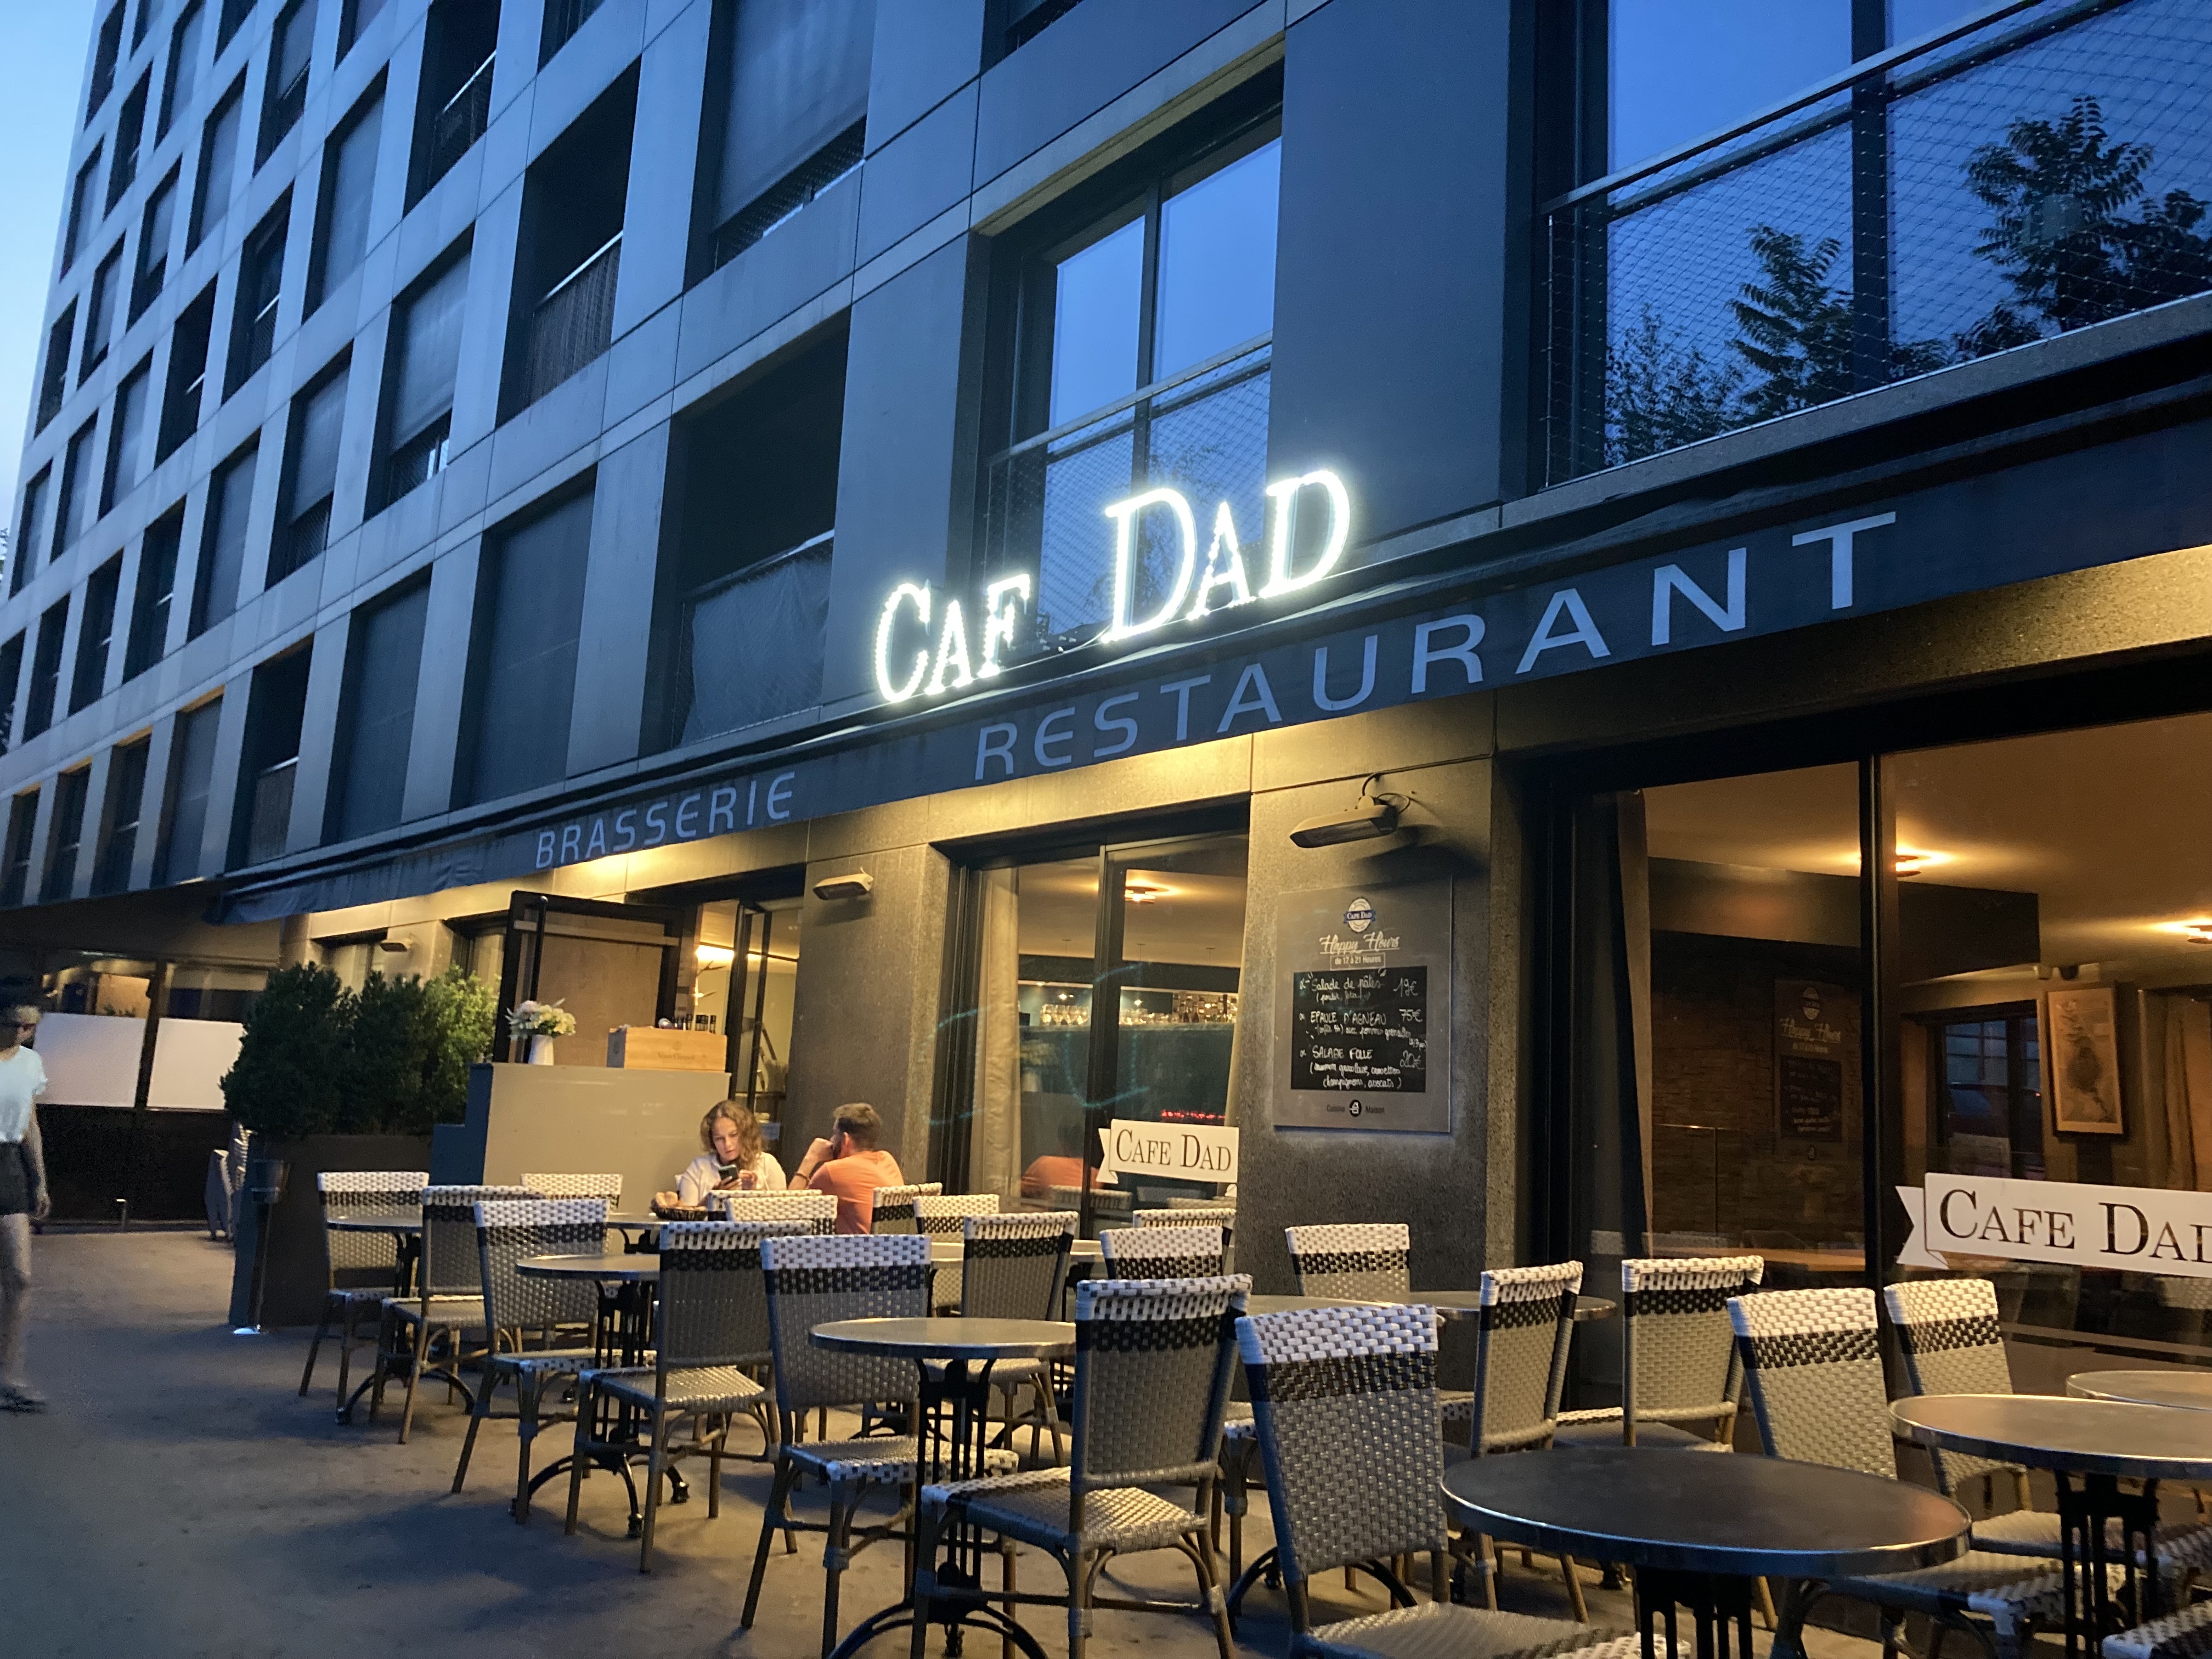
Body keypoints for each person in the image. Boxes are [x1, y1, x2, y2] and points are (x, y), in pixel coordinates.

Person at [0, 1003, 50, 1413]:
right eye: (16, 1024)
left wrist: (40, 1180)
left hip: (9, 1164)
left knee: (19, 1277)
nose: (23, 1032)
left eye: (31, 1026)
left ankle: (9, 1377)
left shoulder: (31, 1063)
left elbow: (30, 1123)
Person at [791, 1103, 904, 1234]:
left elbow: (789, 1211)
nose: (831, 1140)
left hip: (855, 1247)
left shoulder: (833, 1172)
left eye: (835, 1135)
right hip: (892, 1246)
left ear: (845, 1140)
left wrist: (810, 1159)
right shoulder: (887, 1160)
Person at [655, 1101, 786, 1210]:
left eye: (734, 1135)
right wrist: (713, 1197)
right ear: (712, 1140)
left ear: (746, 1134)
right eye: (719, 1139)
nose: (728, 1144)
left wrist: (751, 1195)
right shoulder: (699, 1168)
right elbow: (687, 1219)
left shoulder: (767, 1164)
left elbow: (782, 1212)